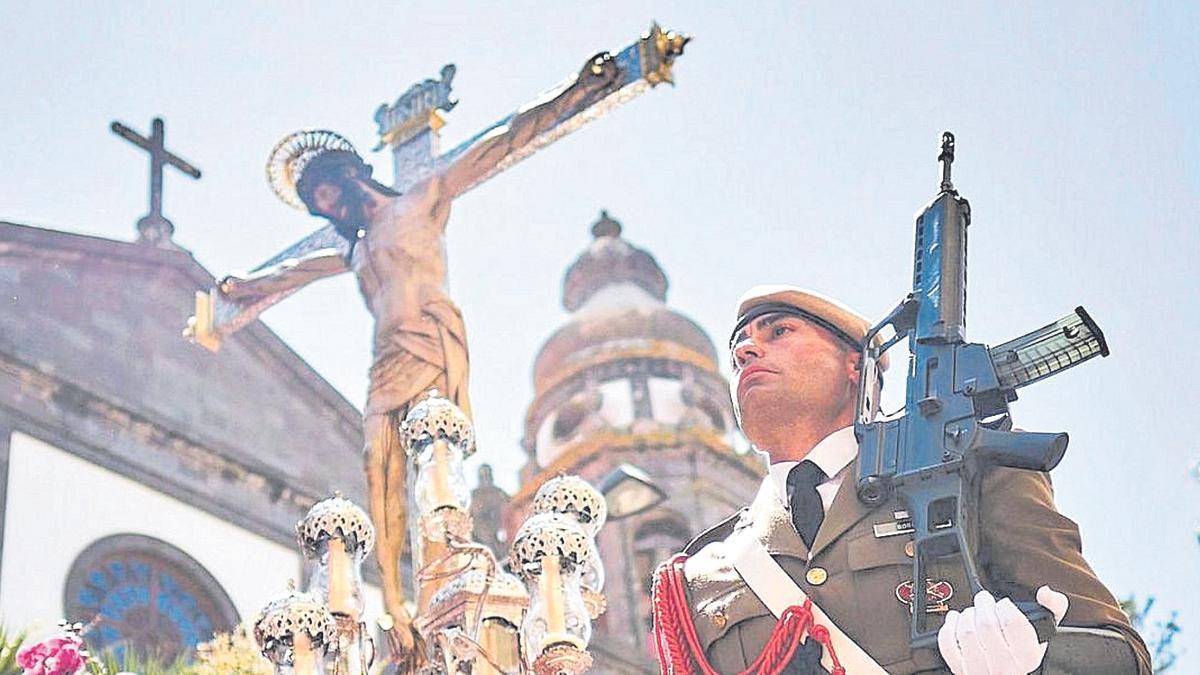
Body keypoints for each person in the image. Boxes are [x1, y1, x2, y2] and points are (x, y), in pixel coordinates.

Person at [216, 52, 621, 667]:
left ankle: (450, 564)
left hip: (431, 337)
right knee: (379, 469)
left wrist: (574, 92)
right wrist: (242, 288)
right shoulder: (350, 251)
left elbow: (504, 140)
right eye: (318, 205)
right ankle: (398, 610)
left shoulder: (422, 197)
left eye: (328, 192)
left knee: (435, 454)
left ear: (351, 175)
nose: (328, 208)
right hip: (385, 362)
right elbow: (292, 271)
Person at [651, 285, 1151, 674]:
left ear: (856, 364)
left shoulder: (969, 470)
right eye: (739, 345)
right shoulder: (700, 575)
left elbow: (1119, 655)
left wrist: (1034, 665)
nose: (746, 351)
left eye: (777, 332)